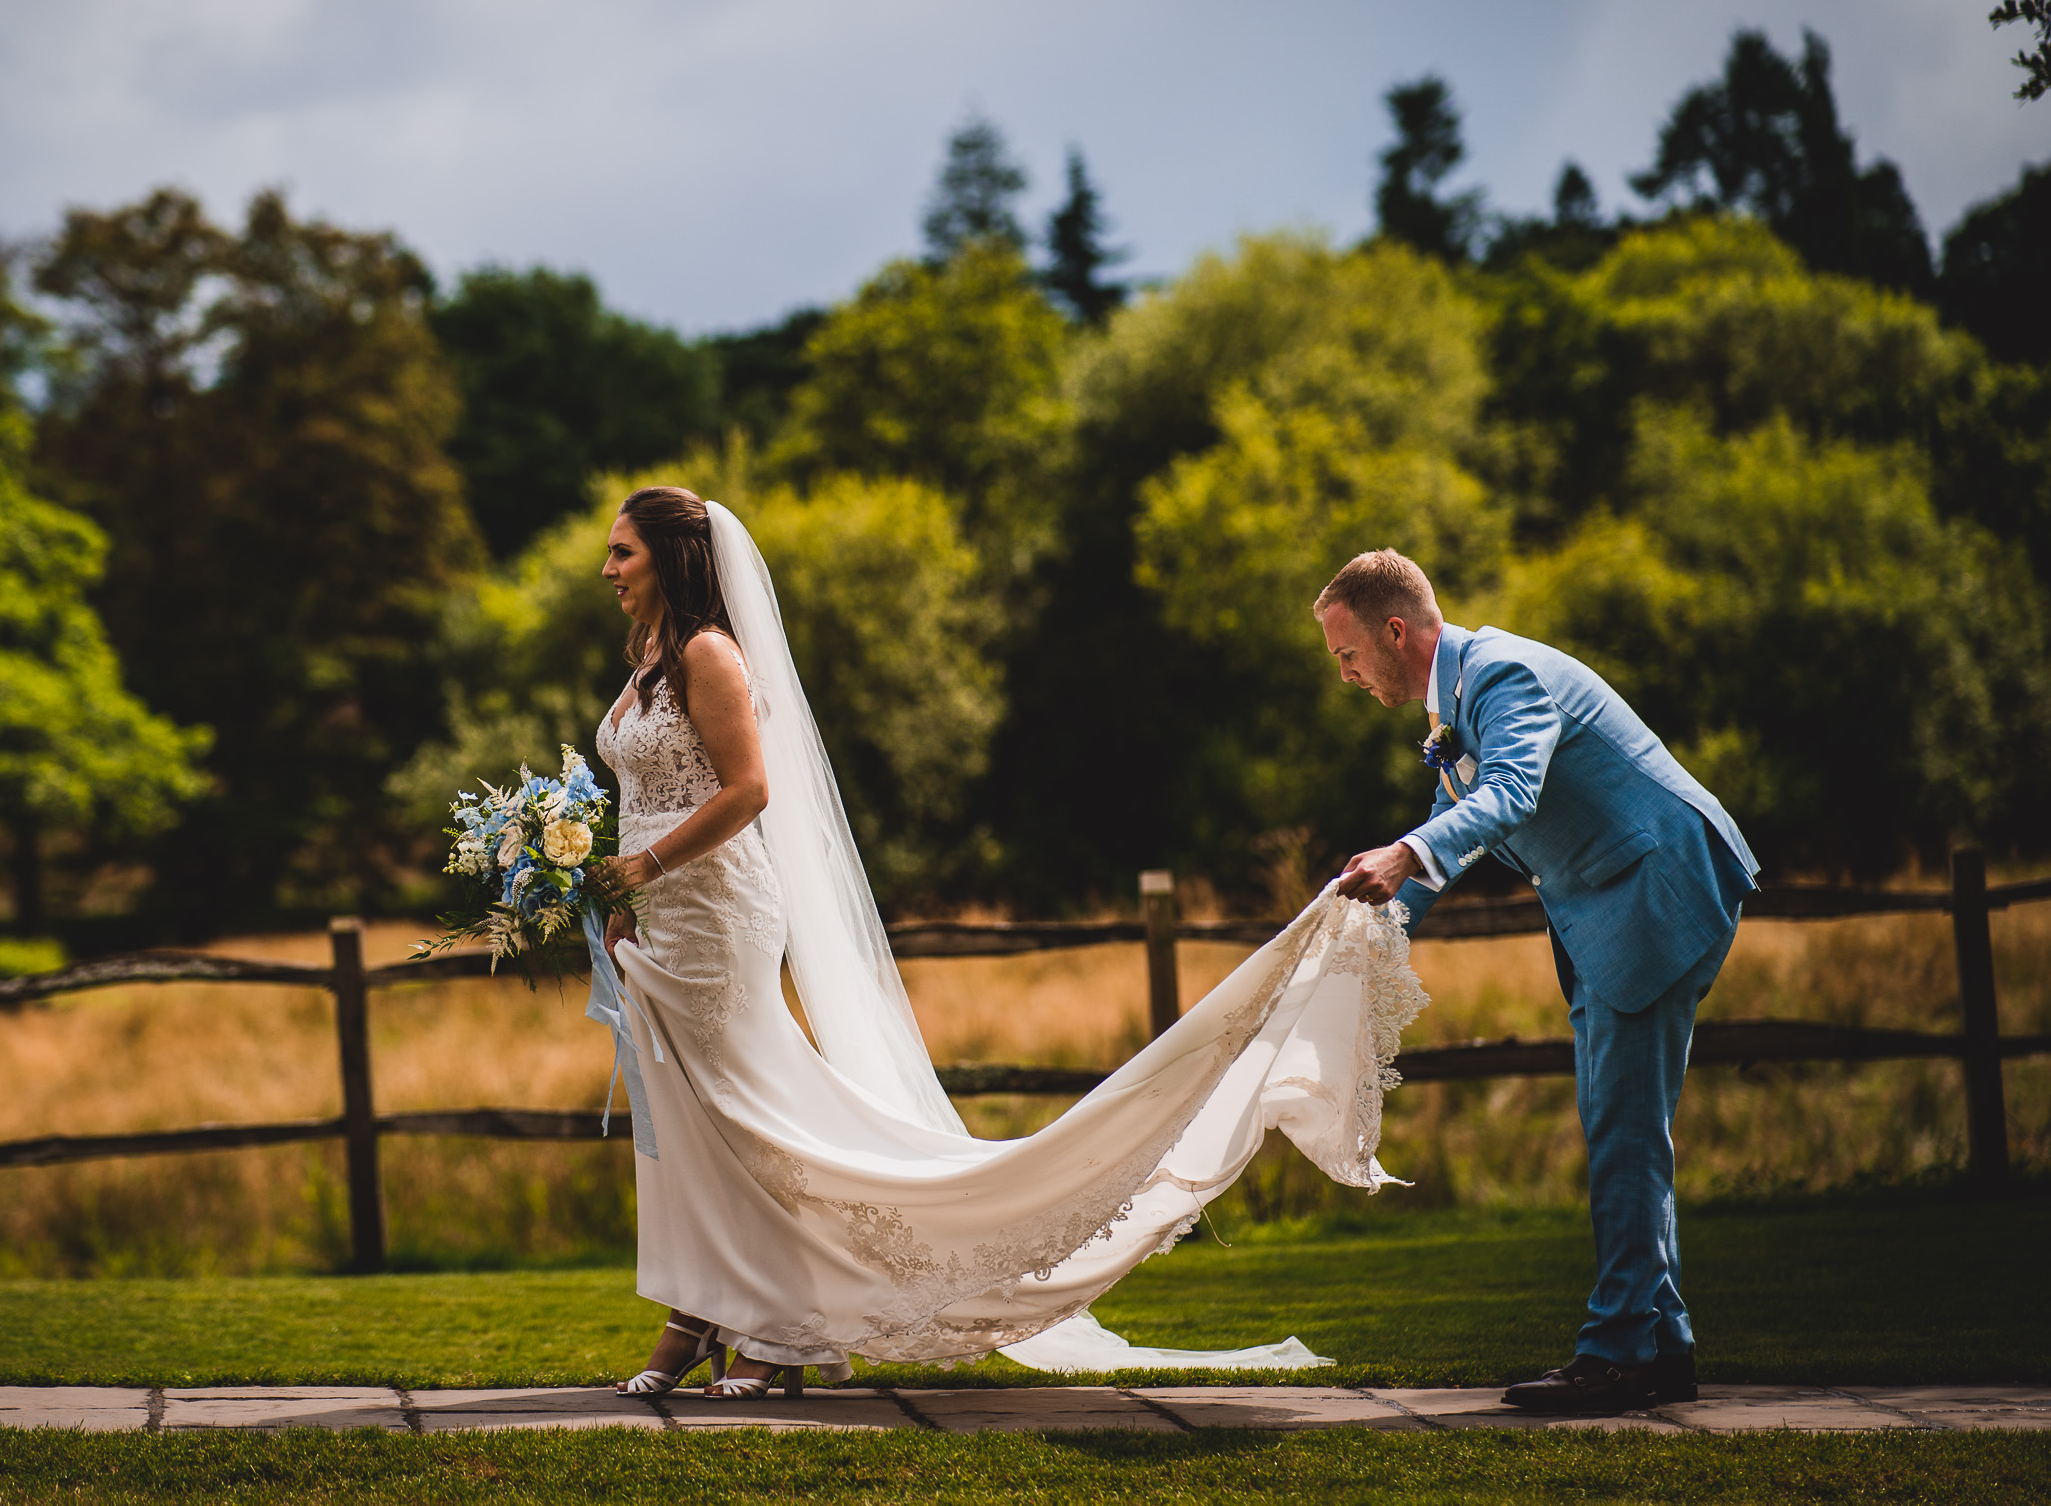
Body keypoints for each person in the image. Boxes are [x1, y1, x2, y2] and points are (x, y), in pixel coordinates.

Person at [584, 487, 1429, 1398]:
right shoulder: (646, 667)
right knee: (689, 1124)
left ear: (672, 558)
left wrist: (649, 866)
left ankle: (777, 1332)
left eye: (623, 552)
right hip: (661, 920)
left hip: (716, 917)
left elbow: (748, 789)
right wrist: (628, 894)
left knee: (755, 1126)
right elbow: (650, 793)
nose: (608, 570)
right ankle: (701, 1312)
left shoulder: (710, 653)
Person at [1317, 548, 1757, 1415]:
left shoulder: (1502, 675)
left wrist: (1407, 853)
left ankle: (1617, 1353)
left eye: (1347, 654)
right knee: (1621, 1127)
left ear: (1394, 631)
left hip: (1656, 891)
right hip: (1614, 909)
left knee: (1624, 1131)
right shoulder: (1460, 702)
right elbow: (1458, 824)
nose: (1347, 675)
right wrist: (1360, 925)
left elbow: (1511, 792)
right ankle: (1662, 1348)